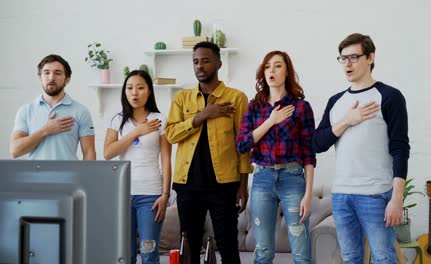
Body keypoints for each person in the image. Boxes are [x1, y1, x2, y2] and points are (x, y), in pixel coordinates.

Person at [313, 33, 410, 263]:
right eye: (343, 58)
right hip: (341, 196)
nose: (347, 63)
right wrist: (347, 120)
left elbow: (400, 148)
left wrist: (396, 198)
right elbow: (317, 143)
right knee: (350, 258)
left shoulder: (389, 96)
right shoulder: (336, 101)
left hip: (376, 195)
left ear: (370, 58)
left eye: (354, 57)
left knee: (384, 258)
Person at [165, 41, 252, 264]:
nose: (199, 66)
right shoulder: (182, 98)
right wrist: (201, 115)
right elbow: (171, 135)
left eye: (205, 60)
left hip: (223, 185)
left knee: (228, 245)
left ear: (218, 64)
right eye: (195, 61)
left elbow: (243, 145)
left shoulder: (236, 98)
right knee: (190, 246)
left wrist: (243, 185)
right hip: (187, 185)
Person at [236, 51, 316, 264]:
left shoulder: (301, 107)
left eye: (278, 65)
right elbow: (242, 144)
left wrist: (308, 195)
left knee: (301, 251)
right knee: (262, 251)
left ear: (287, 71)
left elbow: (309, 154)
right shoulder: (255, 106)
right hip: (262, 179)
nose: (272, 70)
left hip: (293, 178)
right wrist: (271, 121)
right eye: (268, 66)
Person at [104, 70, 172, 264]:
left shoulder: (159, 119)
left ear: (149, 91)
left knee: (149, 252)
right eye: (130, 88)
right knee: (125, 255)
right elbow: (108, 153)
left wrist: (165, 195)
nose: (134, 93)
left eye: (140, 88)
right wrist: (136, 132)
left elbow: (166, 159)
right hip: (122, 193)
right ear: (124, 92)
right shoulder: (118, 120)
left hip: (151, 194)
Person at [9, 54, 96, 160]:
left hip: (69, 176)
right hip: (35, 176)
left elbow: (89, 152)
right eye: (46, 73)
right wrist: (45, 131)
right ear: (40, 77)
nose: (51, 77)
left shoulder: (81, 111)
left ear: (67, 79)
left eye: (57, 73)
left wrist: (89, 176)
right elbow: (15, 151)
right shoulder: (26, 111)